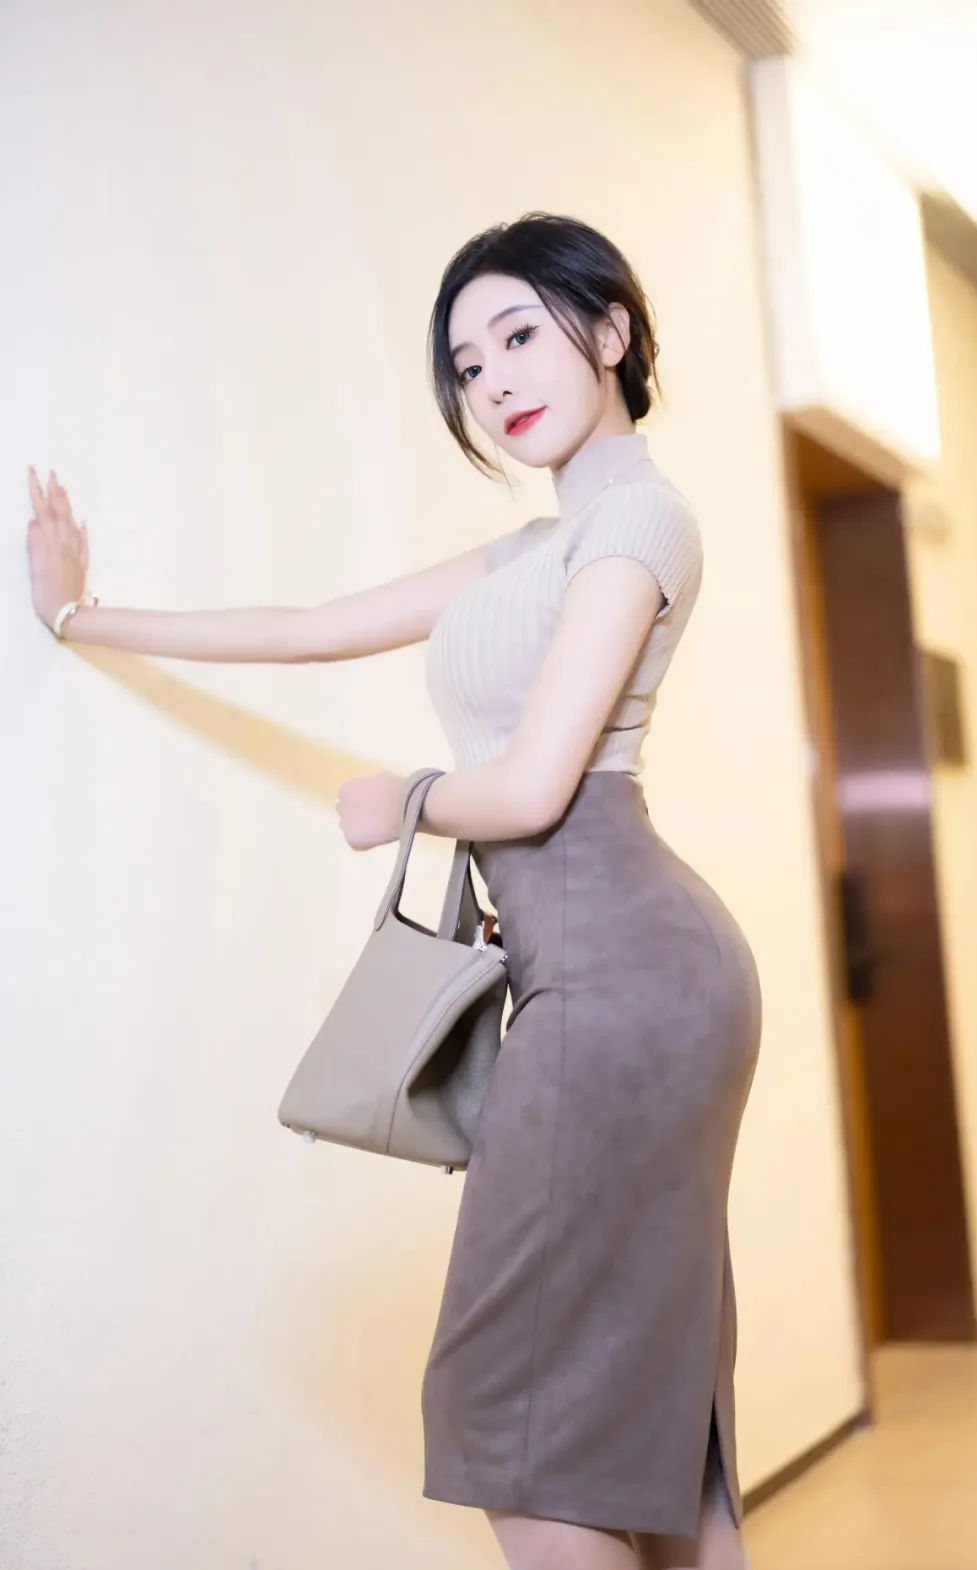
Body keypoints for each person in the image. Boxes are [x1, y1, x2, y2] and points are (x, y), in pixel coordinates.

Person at [25, 211, 761, 1570]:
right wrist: (76, 615)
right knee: (645, 1408)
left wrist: (406, 799)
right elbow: (312, 629)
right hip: (611, 969)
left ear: (610, 332)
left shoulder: (641, 521)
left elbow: (533, 786)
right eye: (468, 367)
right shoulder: (533, 551)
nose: (494, 381)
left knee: (519, 1412)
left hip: (624, 972)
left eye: (521, 335)